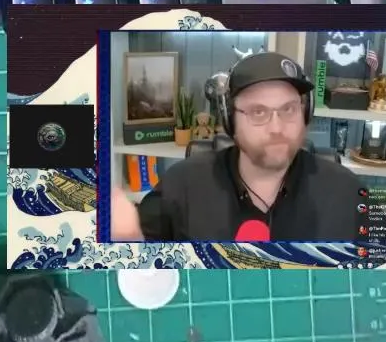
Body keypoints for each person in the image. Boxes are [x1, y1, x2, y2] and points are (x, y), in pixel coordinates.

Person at [112, 51, 362, 242]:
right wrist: (129, 243)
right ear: (229, 120)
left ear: (306, 113)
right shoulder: (181, 185)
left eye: (288, 109)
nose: (277, 128)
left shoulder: (348, 193)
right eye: (258, 112)